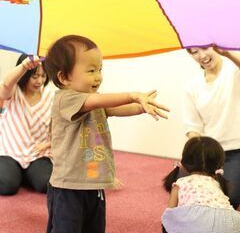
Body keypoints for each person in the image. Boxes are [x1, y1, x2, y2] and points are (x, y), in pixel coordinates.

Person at [42, 34, 170, 233]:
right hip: (68, 186)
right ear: (64, 77)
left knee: (95, 227)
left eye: (100, 69)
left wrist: (141, 107)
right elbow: (103, 102)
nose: (98, 76)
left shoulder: (95, 100)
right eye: (91, 70)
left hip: (93, 183)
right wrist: (132, 95)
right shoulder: (64, 99)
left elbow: (118, 109)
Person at [182, 46, 240, 209]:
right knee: (184, 188)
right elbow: (192, 126)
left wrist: (227, 52)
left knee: (231, 196)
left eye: (204, 48)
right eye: (194, 52)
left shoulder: (233, 70)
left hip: (237, 150)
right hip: (212, 151)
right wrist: (196, 154)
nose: (202, 56)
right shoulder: (192, 86)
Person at [161, 136, 240, 233]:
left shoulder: (180, 183)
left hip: (197, 225)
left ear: (185, 161)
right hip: (231, 223)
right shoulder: (218, 183)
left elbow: (170, 214)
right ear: (219, 163)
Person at [0, 54, 53, 195]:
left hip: (37, 153)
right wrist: (24, 66)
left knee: (47, 184)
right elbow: (5, 85)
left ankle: (25, 175)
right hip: (11, 152)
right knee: (7, 186)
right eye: (34, 77)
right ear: (24, 75)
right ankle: (17, 174)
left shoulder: (50, 96)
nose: (39, 81)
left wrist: (50, 144)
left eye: (43, 76)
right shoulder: (13, 91)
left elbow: (59, 127)